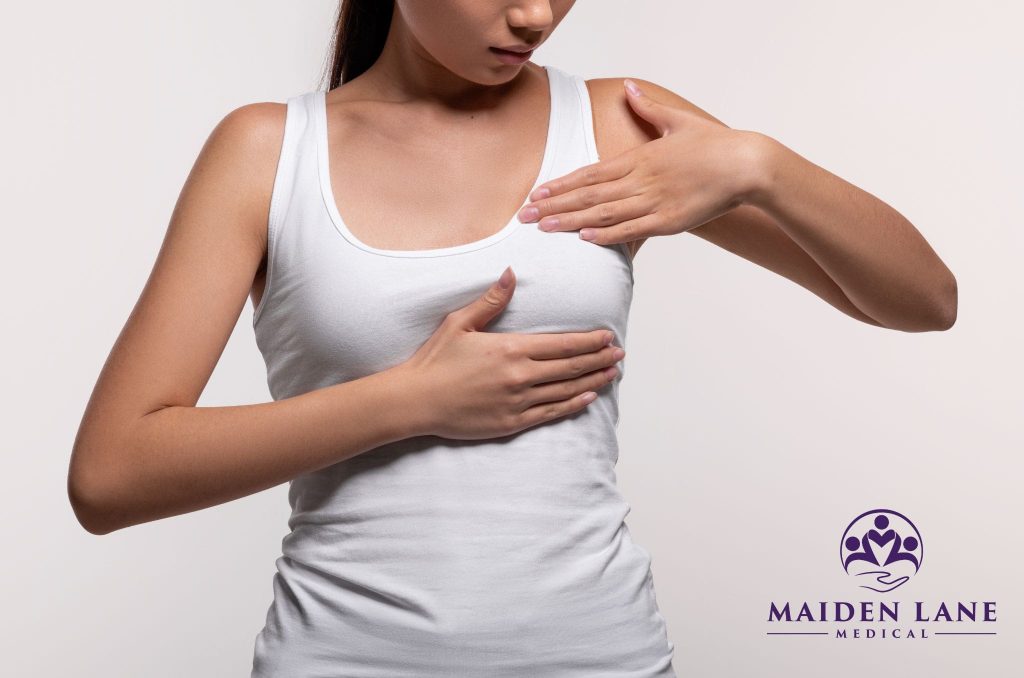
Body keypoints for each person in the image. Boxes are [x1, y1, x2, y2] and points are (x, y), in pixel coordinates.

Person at [67, 1, 958, 676]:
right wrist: (409, 400)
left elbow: (922, 300)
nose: (536, 16)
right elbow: (111, 476)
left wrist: (761, 165)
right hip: (339, 657)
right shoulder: (270, 150)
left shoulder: (617, 128)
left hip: (603, 654)